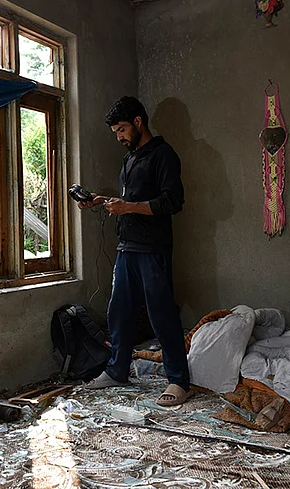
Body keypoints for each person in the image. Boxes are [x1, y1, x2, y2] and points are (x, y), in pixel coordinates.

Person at [78, 96, 192, 406]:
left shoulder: (164, 155)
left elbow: (172, 202)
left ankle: (179, 381)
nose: (119, 137)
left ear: (138, 122)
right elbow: (130, 200)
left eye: (122, 129)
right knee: (119, 312)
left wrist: (127, 207)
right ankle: (117, 371)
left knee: (161, 314)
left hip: (153, 248)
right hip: (126, 246)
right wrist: (102, 200)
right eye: (116, 131)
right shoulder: (130, 158)